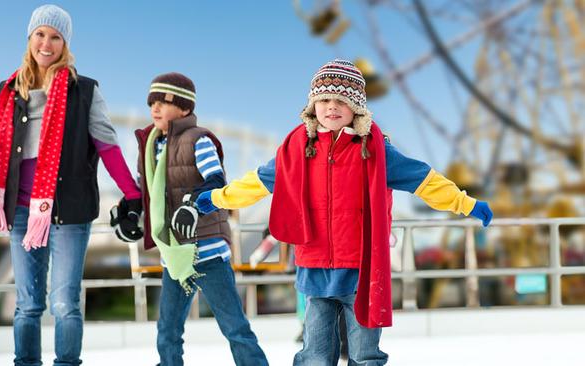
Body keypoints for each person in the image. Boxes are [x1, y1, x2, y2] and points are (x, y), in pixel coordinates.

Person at [195, 59, 493, 365]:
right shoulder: (297, 150)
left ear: (356, 106)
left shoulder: (375, 150)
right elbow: (257, 182)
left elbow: (424, 180)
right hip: (315, 265)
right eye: (324, 99)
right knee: (315, 354)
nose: (331, 107)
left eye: (341, 100)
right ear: (313, 105)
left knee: (365, 353)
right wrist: (219, 198)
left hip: (361, 269)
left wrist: (465, 203)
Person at [0, 5, 142, 365]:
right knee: (27, 305)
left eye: (55, 37)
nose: (47, 43)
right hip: (20, 209)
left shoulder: (84, 90)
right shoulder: (8, 90)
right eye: (40, 35)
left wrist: (133, 196)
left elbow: (108, 147)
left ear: (65, 43)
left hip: (69, 210)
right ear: (30, 39)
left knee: (64, 302)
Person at [132, 72, 268, 366]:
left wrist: (193, 204)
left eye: (163, 102)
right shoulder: (151, 145)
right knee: (167, 329)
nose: (155, 108)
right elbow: (145, 189)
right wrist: (129, 209)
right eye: (151, 102)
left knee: (234, 327)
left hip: (207, 251)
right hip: (174, 255)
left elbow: (216, 180)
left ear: (183, 108)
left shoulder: (198, 140)